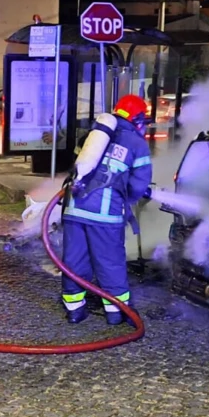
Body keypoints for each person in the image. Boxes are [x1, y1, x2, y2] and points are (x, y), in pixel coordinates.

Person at [60, 94, 153, 325]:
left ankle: (74, 310)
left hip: (74, 208)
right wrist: (128, 200)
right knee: (109, 262)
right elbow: (138, 185)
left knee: (75, 260)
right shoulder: (137, 144)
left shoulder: (94, 134)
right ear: (137, 119)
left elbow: (76, 168)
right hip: (104, 214)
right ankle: (116, 313)